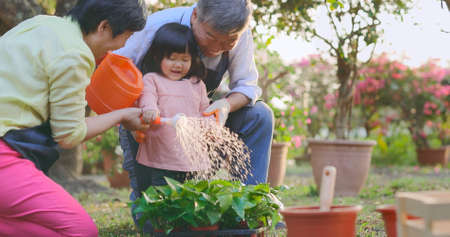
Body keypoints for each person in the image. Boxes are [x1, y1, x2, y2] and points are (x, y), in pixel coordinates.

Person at [116, 0, 274, 224]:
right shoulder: (153, 27)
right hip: (149, 126)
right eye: (211, 37)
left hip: (197, 126)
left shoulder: (239, 32)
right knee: (152, 218)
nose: (218, 48)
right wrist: (133, 118)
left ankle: (249, 210)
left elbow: (247, 86)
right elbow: (112, 72)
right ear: (195, 16)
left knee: (260, 114)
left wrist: (226, 106)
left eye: (229, 41)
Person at [0, 0, 147, 236]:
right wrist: (121, 115)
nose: (121, 46)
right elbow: (68, 135)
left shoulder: (43, 24)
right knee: (81, 230)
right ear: (104, 27)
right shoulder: (75, 54)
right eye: (126, 37)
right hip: (4, 156)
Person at [134, 22, 211, 196]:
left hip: (193, 158)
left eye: (185, 59)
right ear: (158, 57)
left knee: (192, 198)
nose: (178, 64)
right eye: (172, 58)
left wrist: (210, 124)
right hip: (161, 157)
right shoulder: (152, 79)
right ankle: (161, 223)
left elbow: (205, 111)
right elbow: (148, 99)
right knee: (162, 197)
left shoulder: (197, 85)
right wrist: (149, 110)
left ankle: (188, 224)